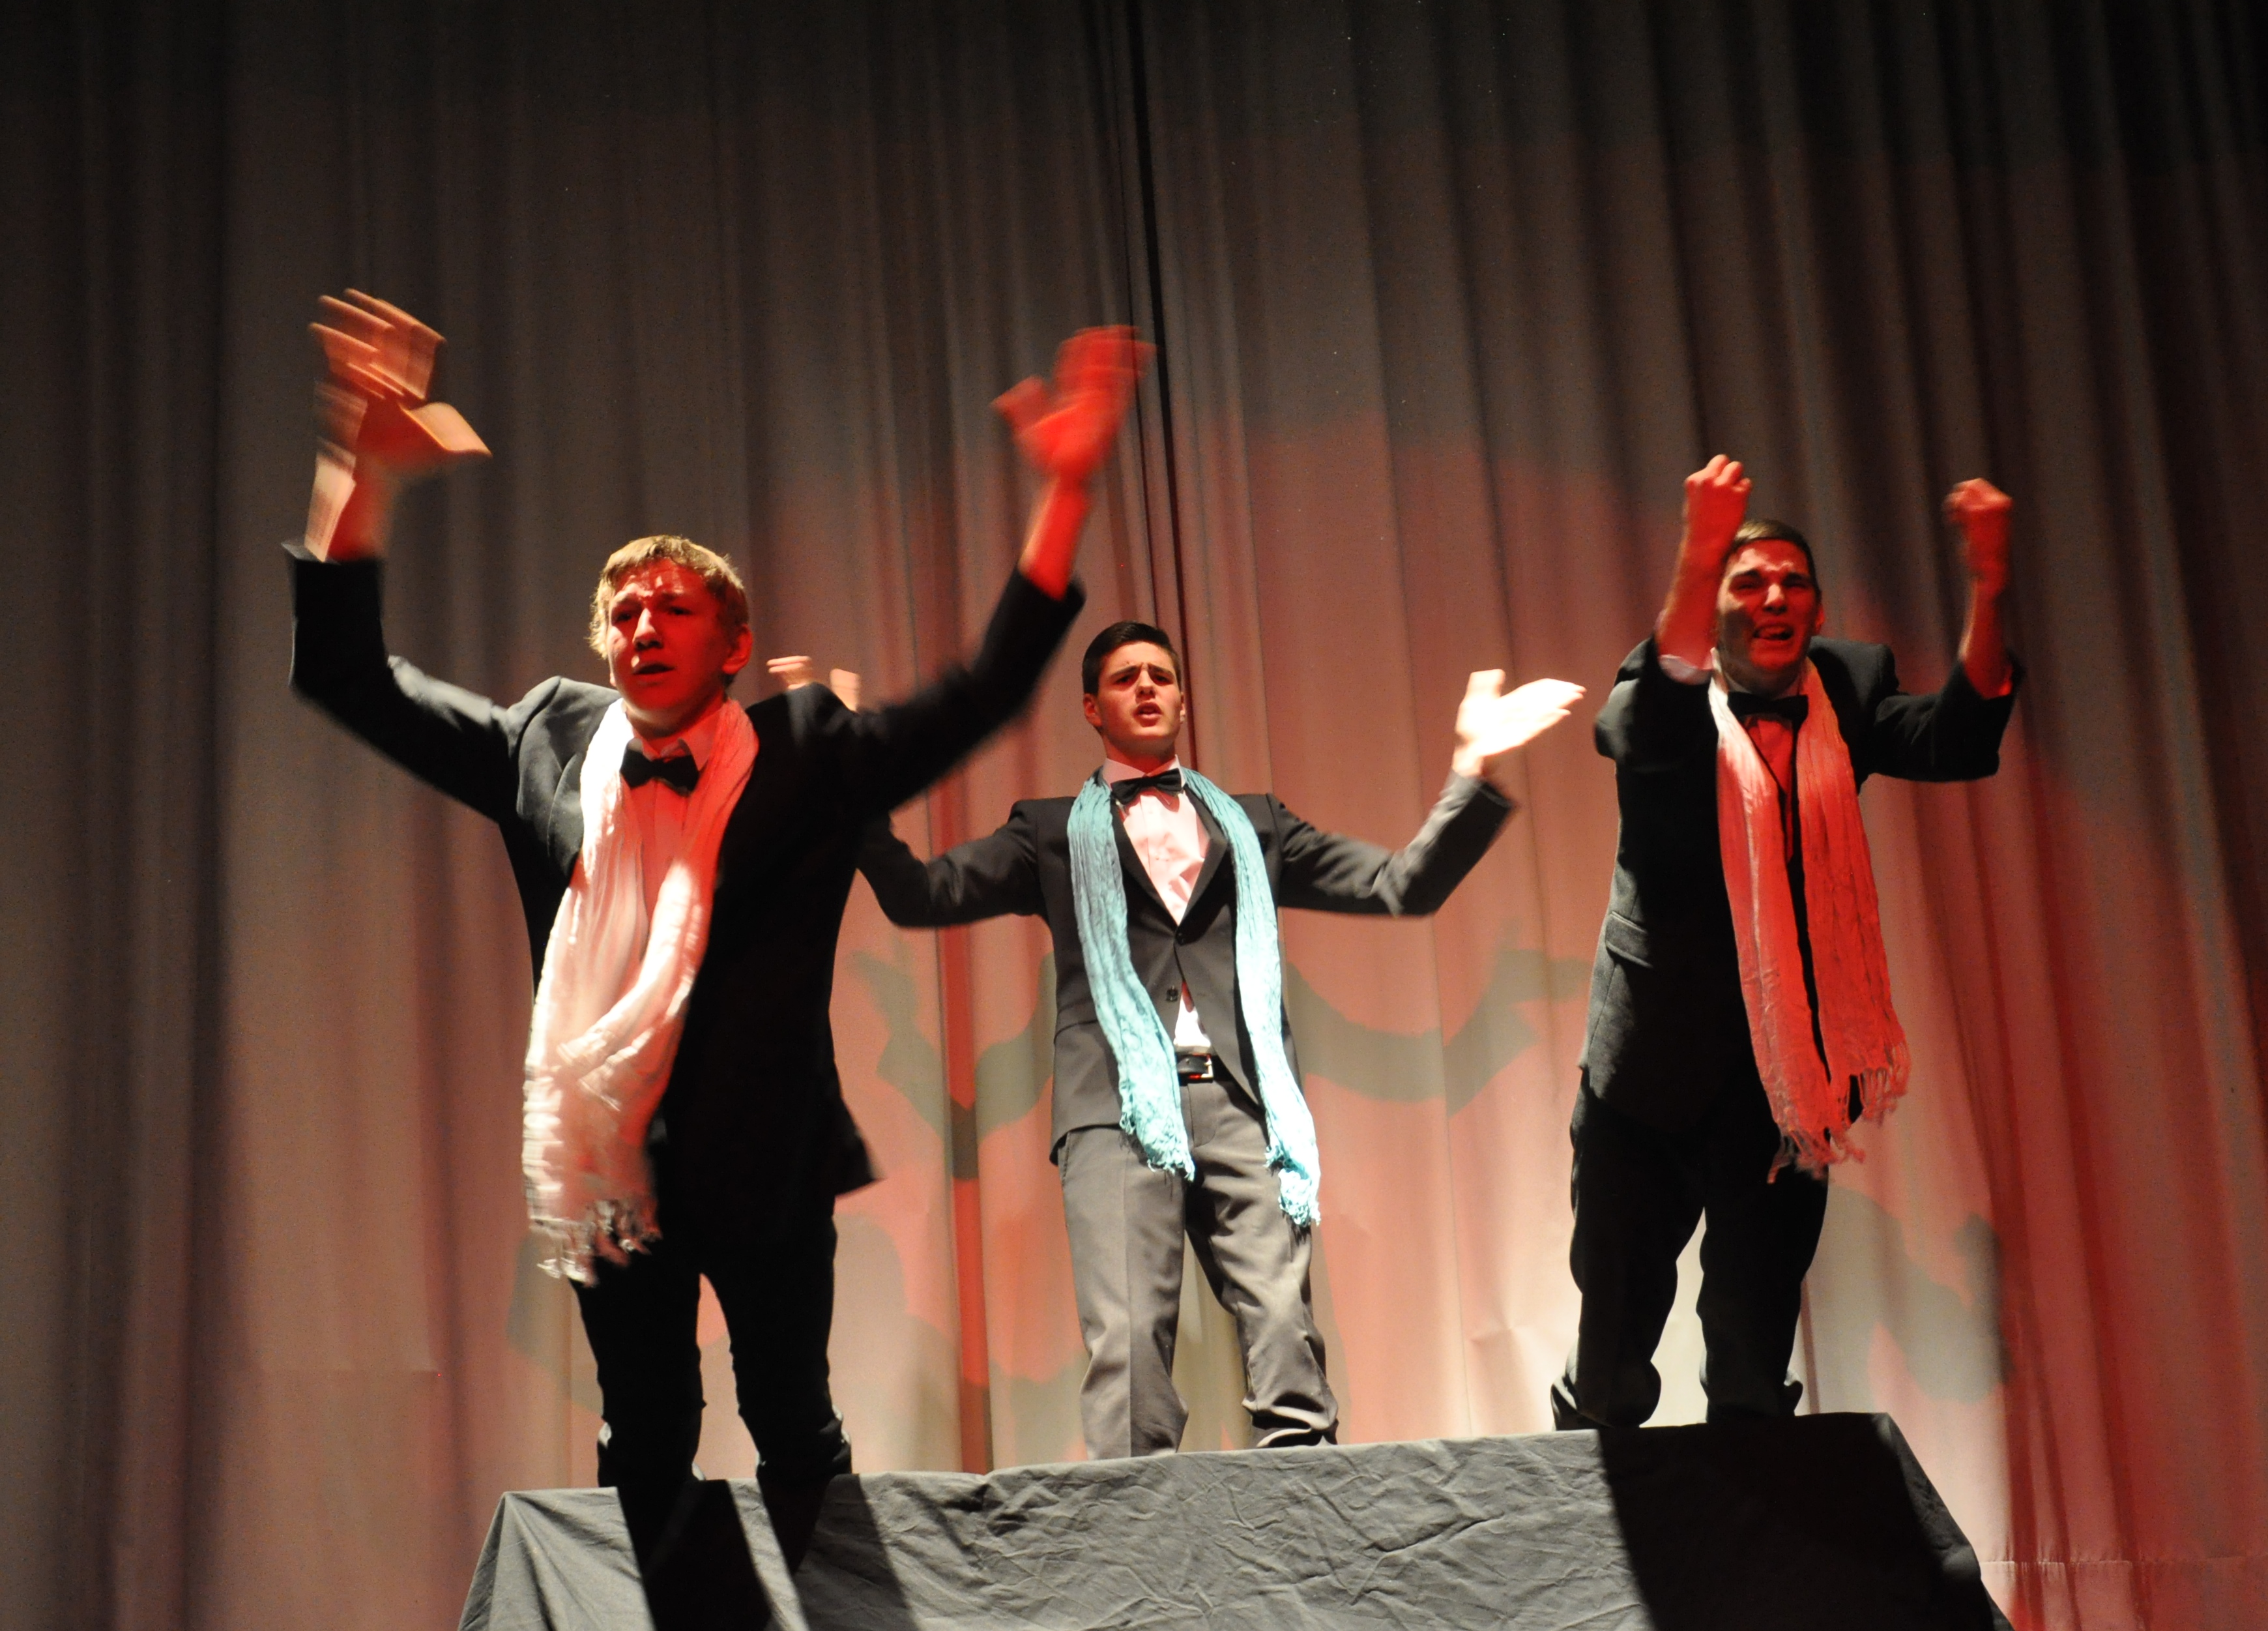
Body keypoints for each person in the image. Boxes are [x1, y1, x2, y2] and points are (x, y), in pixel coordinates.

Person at [285, 289, 1146, 1501]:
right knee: (643, 1436)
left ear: (732, 646)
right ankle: (672, 1626)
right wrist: (356, 465)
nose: (645, 625)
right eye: (625, 612)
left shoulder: (806, 750)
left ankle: (836, 1624)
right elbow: (351, 678)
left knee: (793, 1421)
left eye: (675, 609)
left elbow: (980, 691)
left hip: (769, 1160)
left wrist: (1065, 492)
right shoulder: (544, 740)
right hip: (605, 1166)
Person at [855, 623, 1580, 1456]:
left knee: (1284, 1331)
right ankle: (1138, 1522)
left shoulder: (1254, 825)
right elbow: (921, 894)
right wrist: (853, 794)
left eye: (1160, 675)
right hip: (1115, 1105)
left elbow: (1399, 885)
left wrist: (1473, 772)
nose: (1147, 687)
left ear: (1182, 698)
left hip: (1243, 1098)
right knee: (1130, 1348)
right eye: (1125, 677)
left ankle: (1305, 1507)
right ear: (1091, 707)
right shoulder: (1050, 832)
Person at [1553, 456, 2020, 1431]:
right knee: (1612, 1353)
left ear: (1817, 607)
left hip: (1788, 1081)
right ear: (1714, 606)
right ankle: (1591, 1502)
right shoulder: (1659, 691)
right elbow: (1657, 712)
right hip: (1649, 1069)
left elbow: (1957, 736)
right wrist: (1699, 550)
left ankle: (1747, 1514)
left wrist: (1988, 584)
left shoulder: (1846, 688)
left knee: (1752, 1351)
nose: (1774, 597)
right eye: (1749, 582)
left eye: (1793, 583)